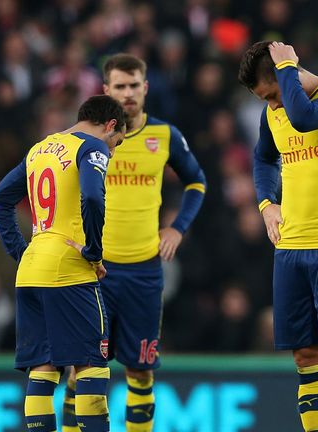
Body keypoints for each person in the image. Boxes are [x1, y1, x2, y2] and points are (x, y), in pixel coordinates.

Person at [63, 54, 206, 432]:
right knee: (84, 370)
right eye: (119, 87)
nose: (127, 94)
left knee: (140, 372)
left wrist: (177, 228)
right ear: (106, 90)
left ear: (145, 87)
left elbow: (197, 182)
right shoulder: (87, 139)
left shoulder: (165, 136)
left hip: (144, 271)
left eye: (134, 85)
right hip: (95, 269)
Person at [238, 41, 318, 432]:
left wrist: (288, 69)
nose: (274, 106)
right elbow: (262, 158)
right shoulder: (273, 113)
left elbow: (304, 117)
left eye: (273, 94)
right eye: (266, 100)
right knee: (306, 356)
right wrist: (266, 204)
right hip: (291, 248)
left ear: (286, 74)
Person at [0, 95, 127, 432]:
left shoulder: (40, 149)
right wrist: (93, 251)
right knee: (93, 364)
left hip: (32, 270)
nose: (114, 150)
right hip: (69, 269)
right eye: (117, 142)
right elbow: (93, 197)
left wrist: (24, 253)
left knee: (44, 366)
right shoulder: (92, 148)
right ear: (109, 125)